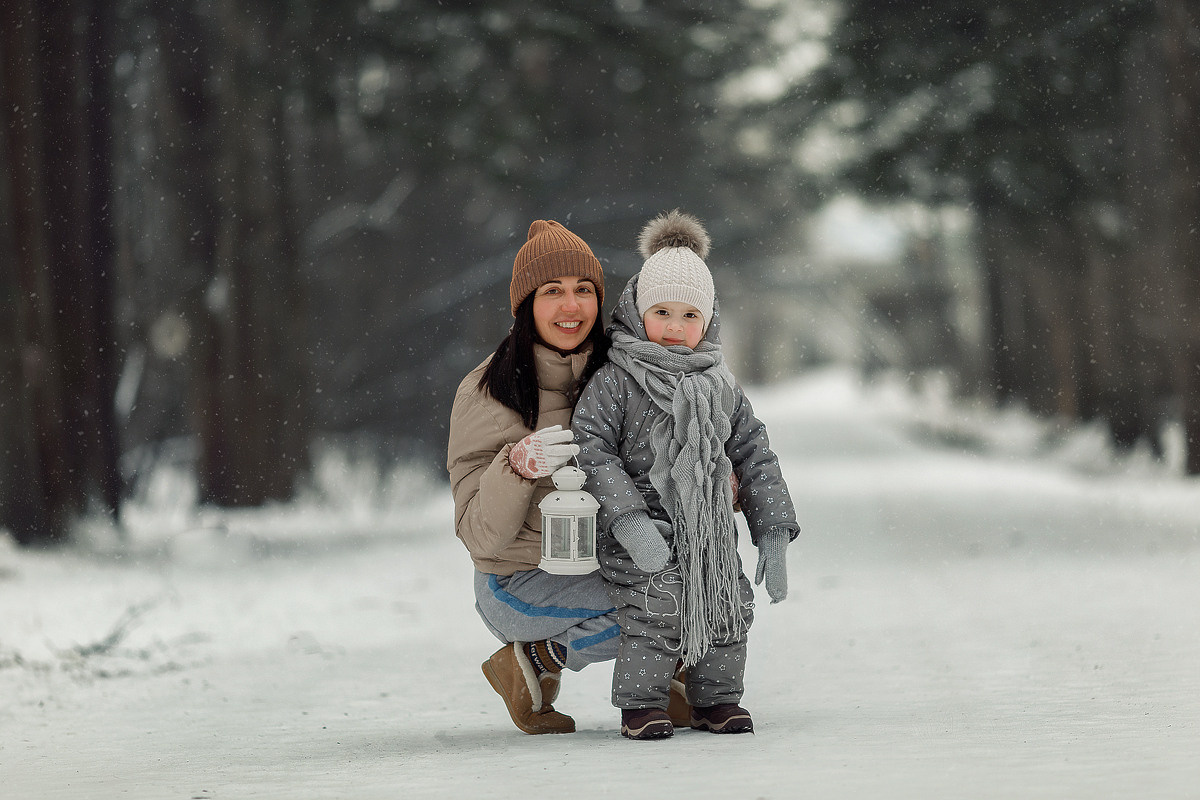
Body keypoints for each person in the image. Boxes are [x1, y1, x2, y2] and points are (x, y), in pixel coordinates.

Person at [447, 219, 691, 735]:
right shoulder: (486, 393)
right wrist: (514, 469)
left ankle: (660, 673)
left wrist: (715, 485)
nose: (571, 306)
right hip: (517, 582)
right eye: (552, 291)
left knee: (699, 583)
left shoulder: (620, 378)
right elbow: (477, 534)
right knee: (659, 595)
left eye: (584, 290)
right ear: (526, 305)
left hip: (602, 562)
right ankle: (534, 660)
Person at [572, 210, 799, 740]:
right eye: (663, 312)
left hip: (708, 529)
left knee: (729, 599)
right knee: (662, 599)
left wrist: (773, 531)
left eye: (690, 315)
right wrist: (629, 521)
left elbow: (754, 454)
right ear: (637, 310)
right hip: (638, 532)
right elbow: (591, 450)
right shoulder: (617, 381)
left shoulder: (719, 384)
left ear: (710, 319)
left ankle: (714, 700)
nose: (676, 328)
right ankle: (642, 704)